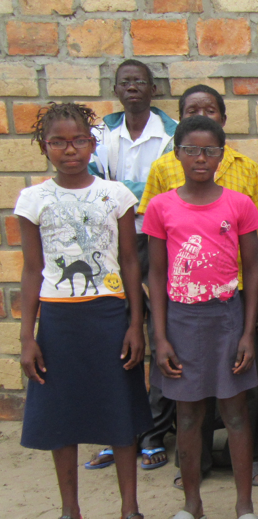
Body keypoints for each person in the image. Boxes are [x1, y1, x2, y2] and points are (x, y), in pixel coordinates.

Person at [139, 84, 258, 488]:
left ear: (221, 150)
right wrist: (159, 335)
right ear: (177, 149)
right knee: (189, 412)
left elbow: (256, 256)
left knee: (238, 408)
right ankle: (193, 490)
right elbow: (156, 270)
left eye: (210, 151)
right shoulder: (163, 192)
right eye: (191, 150)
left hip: (227, 310)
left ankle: (243, 500)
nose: (200, 158)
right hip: (181, 315)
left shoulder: (240, 192)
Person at [17, 102, 152, 519]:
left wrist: (135, 323)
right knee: (62, 416)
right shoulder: (33, 199)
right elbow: (33, 269)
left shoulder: (116, 195)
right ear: (45, 146)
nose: (69, 149)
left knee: (120, 415)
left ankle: (130, 509)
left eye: (78, 140)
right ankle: (70, 509)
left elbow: (130, 261)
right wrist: (27, 336)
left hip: (109, 317)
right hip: (58, 322)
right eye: (58, 141)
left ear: (92, 144)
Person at [86, 58, 178, 473]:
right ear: (116, 88)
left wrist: (119, 190)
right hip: (109, 243)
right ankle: (118, 432)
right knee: (116, 337)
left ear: (153, 89)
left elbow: (172, 186)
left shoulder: (173, 132)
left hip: (160, 241)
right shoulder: (100, 132)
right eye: (125, 82)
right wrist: (139, 190)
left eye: (141, 81)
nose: (133, 88)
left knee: (161, 334)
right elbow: (88, 182)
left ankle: (154, 432)